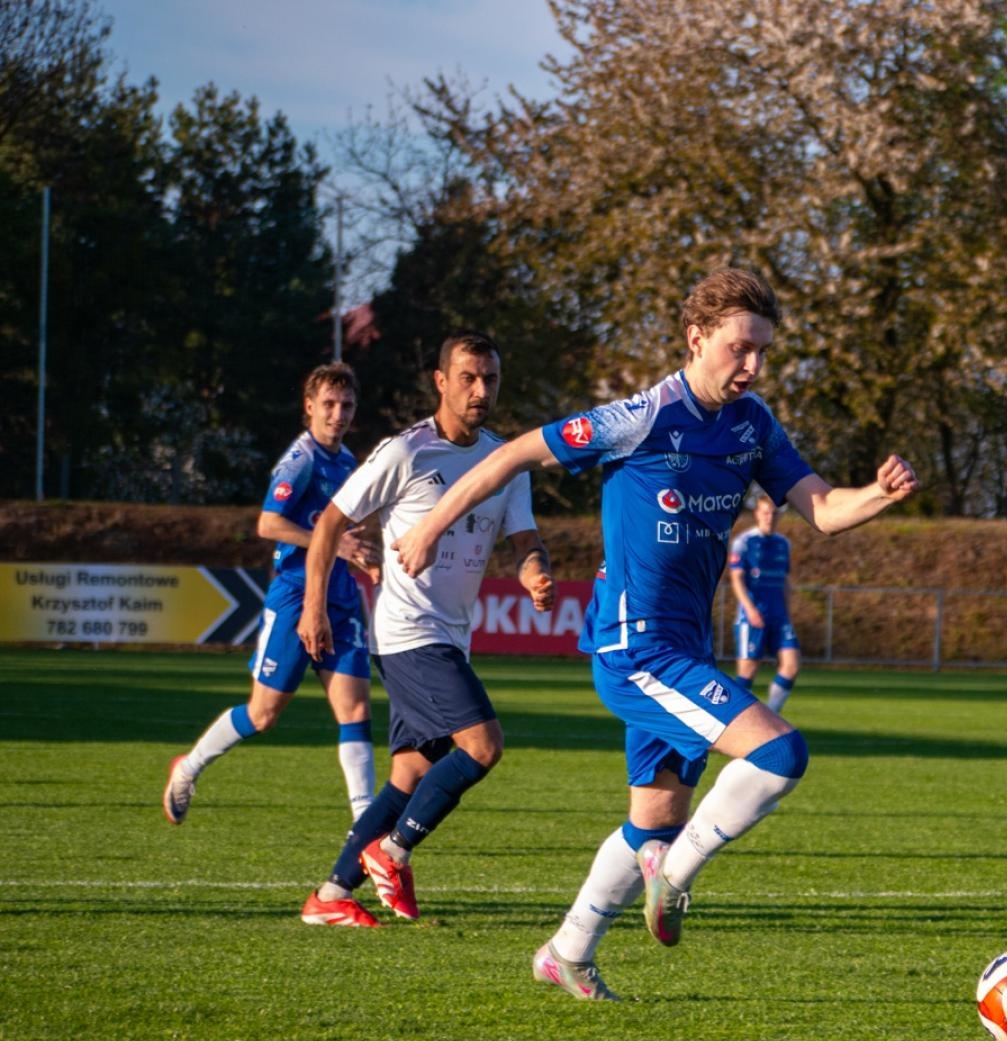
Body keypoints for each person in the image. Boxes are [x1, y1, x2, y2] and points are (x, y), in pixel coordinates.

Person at [393, 267, 919, 998]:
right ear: (696, 339)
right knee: (780, 753)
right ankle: (672, 880)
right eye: (741, 349)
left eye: (764, 352)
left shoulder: (753, 424)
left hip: (685, 649)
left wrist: (880, 495)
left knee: (655, 817)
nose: (754, 366)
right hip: (634, 648)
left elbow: (824, 509)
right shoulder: (641, 417)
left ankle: (567, 951)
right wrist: (428, 525)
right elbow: (515, 454)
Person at [296, 331, 555, 927]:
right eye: (467, 377)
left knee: (410, 775)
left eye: (489, 378)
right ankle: (393, 852)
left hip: (450, 633)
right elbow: (330, 522)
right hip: (407, 632)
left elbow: (525, 540)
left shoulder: (505, 461)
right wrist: (314, 608)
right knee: (483, 746)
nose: (480, 389)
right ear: (441, 381)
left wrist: (535, 572)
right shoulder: (405, 453)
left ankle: (330, 897)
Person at [161, 362, 380, 826]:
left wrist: (360, 551)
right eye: (328, 405)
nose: (337, 414)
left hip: (339, 598)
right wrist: (331, 541)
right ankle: (190, 766)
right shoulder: (300, 461)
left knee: (356, 708)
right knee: (263, 715)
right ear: (308, 407)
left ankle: (363, 828)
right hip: (295, 598)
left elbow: (341, 526)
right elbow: (268, 523)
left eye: (346, 406)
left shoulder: (346, 462)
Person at [729, 492, 800, 711]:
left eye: (774, 513)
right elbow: (736, 578)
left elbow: (785, 581)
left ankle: (772, 715)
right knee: (747, 671)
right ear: (757, 514)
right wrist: (749, 609)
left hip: (779, 615)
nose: (770, 517)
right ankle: (735, 720)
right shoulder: (744, 542)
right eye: (765, 512)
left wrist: (787, 613)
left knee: (792, 665)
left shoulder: (783, 544)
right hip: (752, 614)